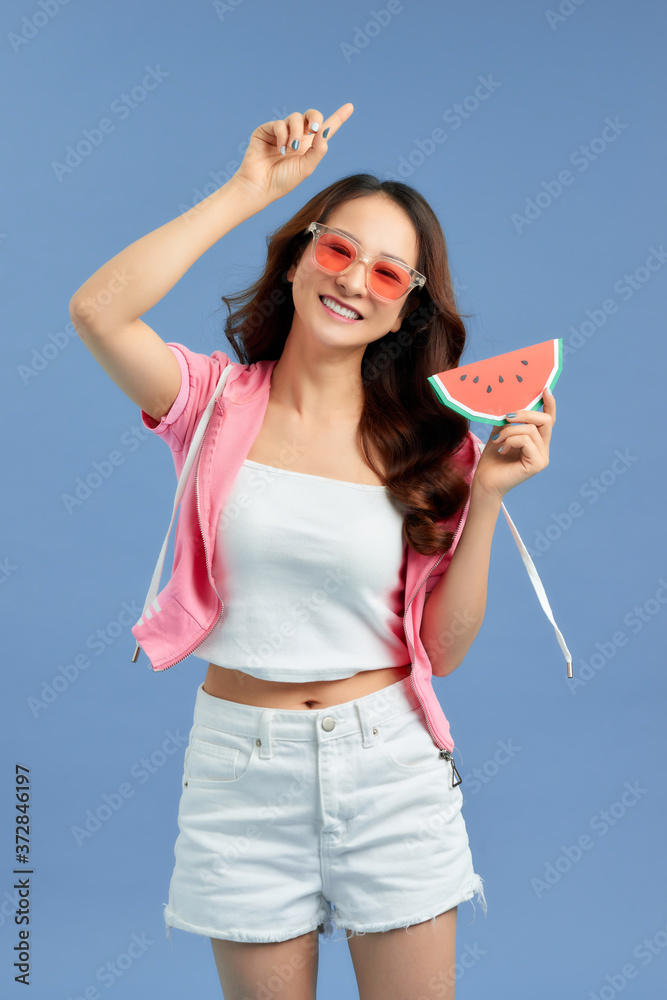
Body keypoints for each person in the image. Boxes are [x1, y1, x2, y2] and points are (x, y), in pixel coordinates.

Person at [69, 103, 556, 1000]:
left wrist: (484, 498)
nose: (354, 281)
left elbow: (441, 652)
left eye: (386, 270)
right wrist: (249, 188)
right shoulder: (212, 402)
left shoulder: (432, 446)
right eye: (335, 250)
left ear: (407, 305)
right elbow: (98, 311)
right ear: (297, 258)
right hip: (238, 772)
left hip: (391, 770)